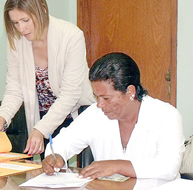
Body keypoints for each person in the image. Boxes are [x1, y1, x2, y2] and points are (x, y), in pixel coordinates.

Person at [0, 0, 95, 157]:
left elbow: (70, 94)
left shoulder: (71, 36)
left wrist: (40, 130)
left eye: (25, 20)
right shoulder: (16, 41)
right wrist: (1, 120)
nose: (21, 29)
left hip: (75, 112)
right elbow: (15, 89)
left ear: (42, 10)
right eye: (15, 22)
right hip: (42, 116)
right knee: (45, 175)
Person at [42, 52, 185, 181]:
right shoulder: (95, 114)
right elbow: (62, 142)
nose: (99, 104)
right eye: (96, 97)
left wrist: (117, 166)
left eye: (106, 98)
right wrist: (56, 157)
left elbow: (169, 167)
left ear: (130, 92)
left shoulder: (166, 116)